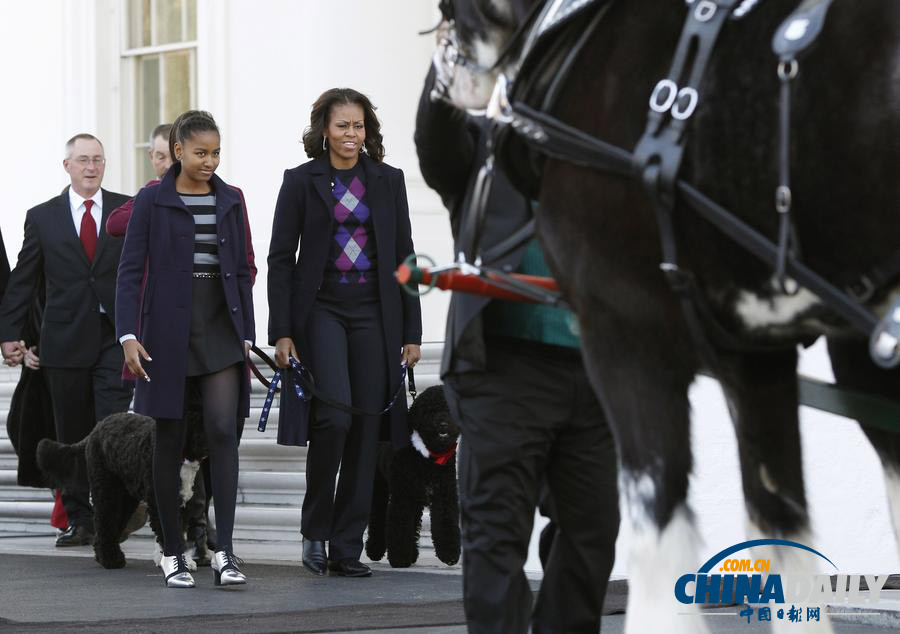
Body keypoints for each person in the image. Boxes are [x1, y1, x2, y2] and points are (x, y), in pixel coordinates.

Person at [415, 66, 620, 632]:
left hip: (595, 375)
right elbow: (434, 136)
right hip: (502, 370)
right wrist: (451, 52)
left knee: (593, 531)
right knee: (497, 534)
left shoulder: (606, 157)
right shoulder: (479, 151)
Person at [268, 88, 423, 578]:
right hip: (322, 311)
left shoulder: (388, 180)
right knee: (334, 418)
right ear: (323, 131)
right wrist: (282, 330)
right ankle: (315, 531)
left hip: (376, 315)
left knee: (366, 427)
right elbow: (279, 259)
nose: (351, 135)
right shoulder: (300, 181)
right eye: (342, 126)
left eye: (358, 126)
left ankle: (346, 546)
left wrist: (412, 329)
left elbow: (405, 255)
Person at [106, 122, 258, 564]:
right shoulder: (152, 198)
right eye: (200, 153)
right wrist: (128, 334)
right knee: (169, 437)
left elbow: (244, 266)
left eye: (215, 153)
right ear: (178, 150)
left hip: (221, 326)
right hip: (167, 330)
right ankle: (172, 549)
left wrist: (246, 330)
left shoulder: (232, 198)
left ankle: (224, 550)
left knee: (222, 432)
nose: (209, 162)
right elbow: (130, 270)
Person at [0, 134, 134, 547]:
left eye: (97, 160)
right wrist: (9, 336)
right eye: (83, 161)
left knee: (113, 426)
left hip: (116, 337)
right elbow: (23, 281)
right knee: (71, 432)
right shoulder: (42, 217)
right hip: (64, 339)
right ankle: (79, 517)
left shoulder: (127, 209)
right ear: (67, 167)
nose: (91, 167)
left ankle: (115, 512)